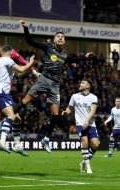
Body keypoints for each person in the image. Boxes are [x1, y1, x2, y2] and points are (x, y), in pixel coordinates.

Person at [19, 19, 94, 153]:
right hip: (44, 79)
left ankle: (46, 139)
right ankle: (8, 118)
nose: (60, 38)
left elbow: (74, 60)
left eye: (62, 37)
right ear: (54, 40)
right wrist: (26, 28)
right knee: (25, 101)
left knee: (55, 115)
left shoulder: (64, 54)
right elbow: (30, 41)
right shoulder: (48, 47)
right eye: (58, 36)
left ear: (64, 41)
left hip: (54, 85)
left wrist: (85, 56)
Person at [0, 44, 34, 155]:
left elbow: (18, 73)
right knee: (11, 116)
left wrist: (29, 69)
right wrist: (30, 63)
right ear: (10, 52)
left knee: (17, 118)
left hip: (2, 93)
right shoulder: (7, 59)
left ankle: (17, 145)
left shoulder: (2, 61)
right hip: (1, 92)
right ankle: (2, 140)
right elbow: (21, 69)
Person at [62, 80, 99, 174]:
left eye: (83, 83)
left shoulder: (93, 97)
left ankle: (83, 162)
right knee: (85, 142)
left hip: (90, 124)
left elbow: (93, 111)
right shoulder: (74, 96)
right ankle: (88, 166)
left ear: (88, 86)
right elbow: (69, 108)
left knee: (95, 144)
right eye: (80, 83)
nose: (80, 84)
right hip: (79, 124)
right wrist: (66, 113)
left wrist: (86, 121)